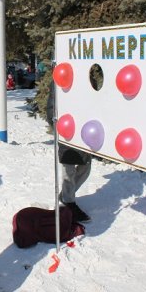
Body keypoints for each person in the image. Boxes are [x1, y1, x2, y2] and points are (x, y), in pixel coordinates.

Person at [46, 81, 92, 223]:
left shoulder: (88, 77)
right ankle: (69, 202)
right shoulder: (60, 80)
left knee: (86, 167)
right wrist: (57, 126)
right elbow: (51, 105)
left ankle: (65, 195)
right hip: (67, 130)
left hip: (85, 130)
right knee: (69, 169)